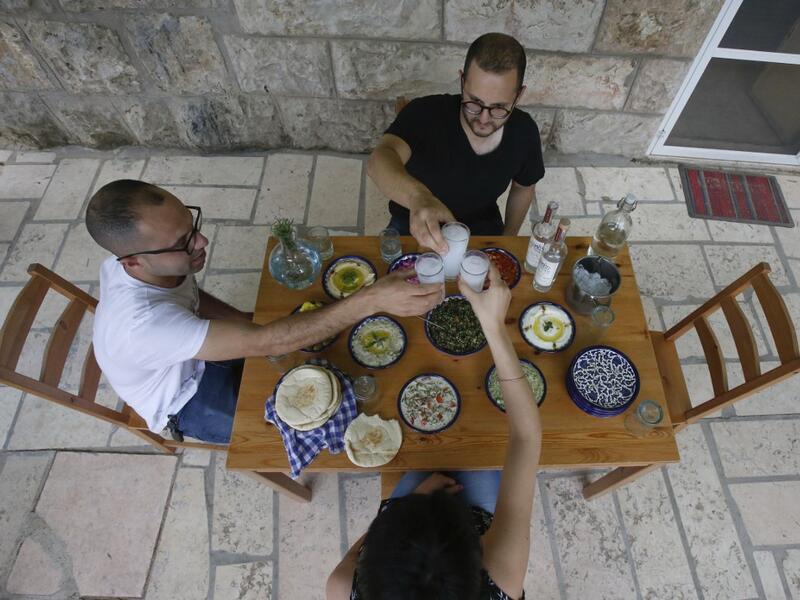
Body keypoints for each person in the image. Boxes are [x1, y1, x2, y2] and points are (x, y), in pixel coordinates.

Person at [85, 179, 443, 444]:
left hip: (188, 351)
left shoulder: (141, 264)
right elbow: (267, 343)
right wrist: (371, 300)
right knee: (312, 424)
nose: (202, 242)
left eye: (192, 226)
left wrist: (246, 322)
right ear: (132, 262)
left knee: (308, 353)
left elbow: (189, 296)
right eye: (183, 243)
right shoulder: (145, 325)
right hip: (187, 399)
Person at [326, 264, 542, 600]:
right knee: (479, 451)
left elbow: (367, 550)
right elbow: (527, 437)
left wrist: (409, 503)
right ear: (476, 564)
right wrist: (493, 327)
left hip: (405, 518)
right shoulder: (501, 578)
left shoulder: (342, 588)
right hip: (445, 523)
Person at [367, 32, 546, 254]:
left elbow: (524, 187)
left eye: (499, 107)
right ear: (462, 81)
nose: (483, 119)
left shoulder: (525, 132)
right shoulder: (424, 113)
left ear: (518, 96)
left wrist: (508, 238)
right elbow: (380, 158)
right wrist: (418, 197)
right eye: (474, 102)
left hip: (482, 226)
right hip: (414, 220)